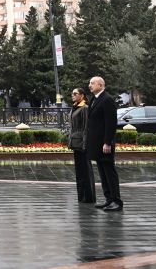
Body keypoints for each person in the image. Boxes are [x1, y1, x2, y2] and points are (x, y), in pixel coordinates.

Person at [87, 75, 123, 211]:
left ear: (100, 85)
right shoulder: (94, 99)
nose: (89, 85)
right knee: (102, 172)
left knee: (109, 171)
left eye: (92, 83)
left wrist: (107, 142)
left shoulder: (107, 99)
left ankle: (117, 201)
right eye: (90, 83)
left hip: (104, 144)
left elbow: (111, 123)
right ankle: (108, 199)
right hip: (97, 144)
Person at [69, 87, 95, 204]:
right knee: (79, 171)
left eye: (75, 94)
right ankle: (82, 196)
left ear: (82, 95)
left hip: (82, 145)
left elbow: (86, 128)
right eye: (72, 94)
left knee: (86, 171)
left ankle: (89, 197)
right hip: (76, 143)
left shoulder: (84, 108)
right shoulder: (75, 107)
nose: (73, 95)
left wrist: (85, 144)